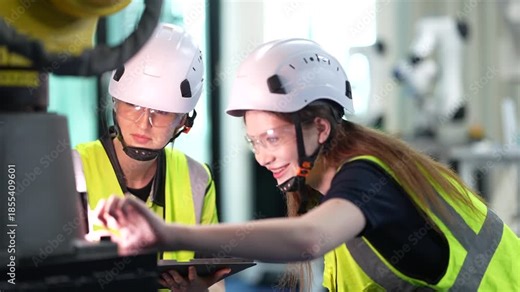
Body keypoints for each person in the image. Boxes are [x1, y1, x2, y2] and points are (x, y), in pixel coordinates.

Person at [93, 38, 520, 291]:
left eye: (272, 139)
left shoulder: (367, 178)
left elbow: (308, 240)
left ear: (318, 128)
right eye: (253, 142)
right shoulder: (329, 191)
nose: (263, 157)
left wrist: (169, 234)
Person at [73, 23, 228, 291]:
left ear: (183, 120)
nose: (144, 123)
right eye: (133, 105)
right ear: (115, 102)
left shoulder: (197, 179)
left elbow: (214, 284)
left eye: (162, 111)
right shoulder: (72, 170)